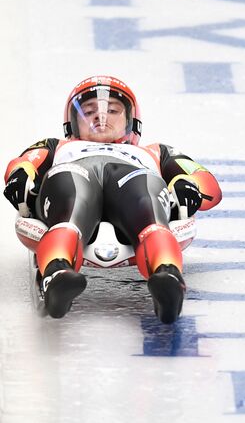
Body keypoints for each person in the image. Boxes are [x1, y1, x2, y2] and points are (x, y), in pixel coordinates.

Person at [3, 75, 222, 323]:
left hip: (133, 176)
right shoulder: (57, 146)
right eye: (89, 111)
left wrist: (188, 184)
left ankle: (167, 277)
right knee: (73, 199)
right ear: (73, 123)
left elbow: (204, 180)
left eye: (113, 110)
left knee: (145, 197)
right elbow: (24, 163)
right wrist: (21, 176)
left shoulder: (155, 152)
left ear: (130, 120)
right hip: (75, 172)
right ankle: (57, 274)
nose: (101, 116)